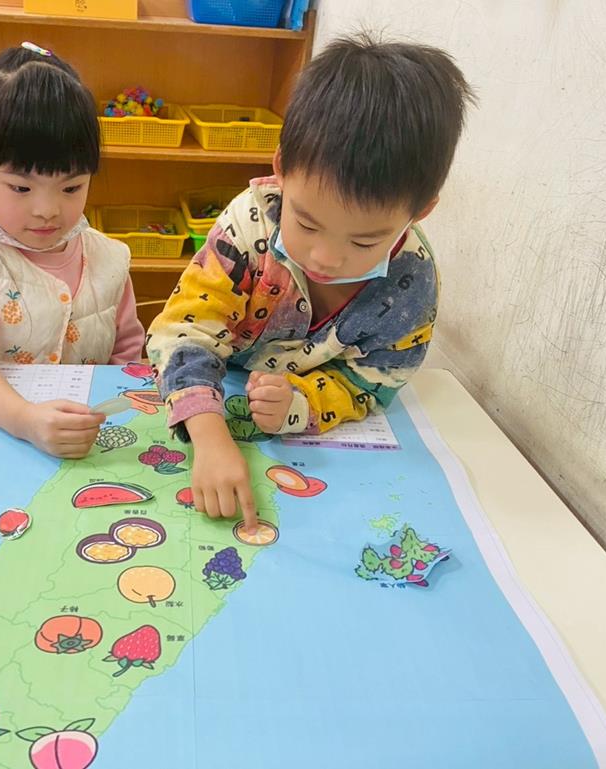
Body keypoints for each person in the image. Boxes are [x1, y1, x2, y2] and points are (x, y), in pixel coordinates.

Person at [146, 33, 475, 529]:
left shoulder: (412, 281)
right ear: (281, 170)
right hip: (211, 385)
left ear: (419, 212)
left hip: (300, 424)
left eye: (364, 241)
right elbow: (183, 330)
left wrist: (301, 403)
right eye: (306, 223)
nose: (326, 258)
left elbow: (372, 381)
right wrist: (209, 436)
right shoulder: (250, 224)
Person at [0, 43, 145, 458]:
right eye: (21, 188)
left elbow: (125, 357)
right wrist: (23, 419)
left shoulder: (109, 258)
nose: (47, 210)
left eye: (71, 187)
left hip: (72, 446)